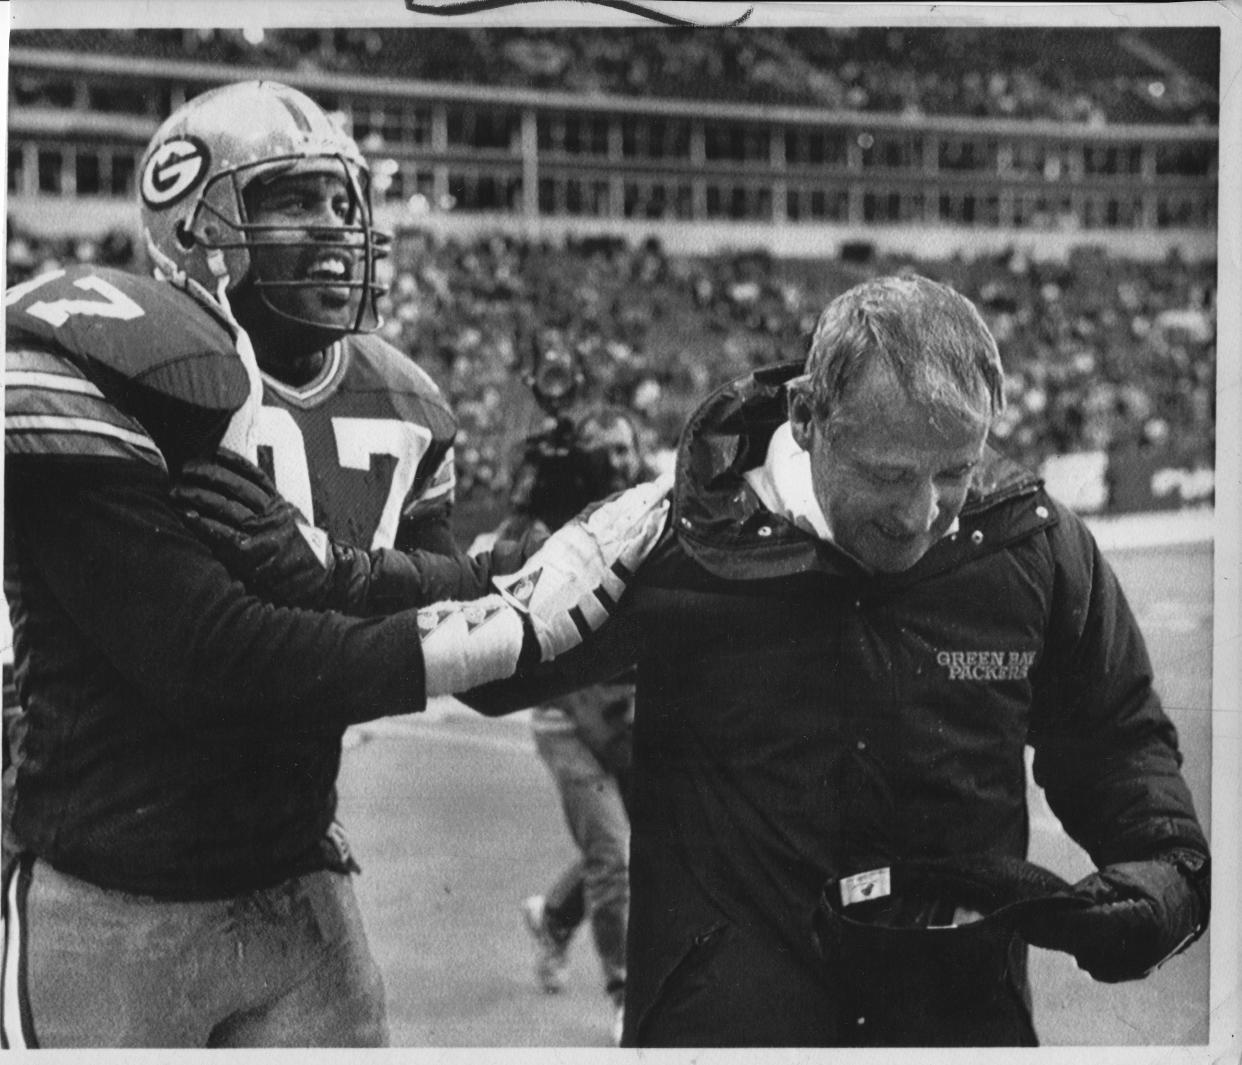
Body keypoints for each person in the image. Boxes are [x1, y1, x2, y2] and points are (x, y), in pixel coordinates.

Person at [0, 79, 668, 1049]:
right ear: (193, 223)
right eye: (290, 199)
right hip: (106, 901)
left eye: (343, 200)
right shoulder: (95, 356)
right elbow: (209, 662)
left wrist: (637, 587)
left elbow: (462, 641)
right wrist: (513, 593)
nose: (333, 227)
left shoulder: (401, 400)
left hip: (299, 887)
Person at [460, 274, 1211, 1047]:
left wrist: (1167, 870)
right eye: (888, 474)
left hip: (955, 1024)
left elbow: (1115, 739)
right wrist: (526, 546)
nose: (922, 512)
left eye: (955, 470)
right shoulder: (677, 543)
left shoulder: (1031, 547)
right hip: (728, 1032)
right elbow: (494, 668)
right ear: (807, 417)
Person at [500, 408, 650, 1039]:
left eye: (625, 449)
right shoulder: (557, 524)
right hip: (568, 712)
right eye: (604, 451)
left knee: (625, 850)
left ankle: (557, 916)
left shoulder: (655, 510)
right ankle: (625, 995)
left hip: (625, 708)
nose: (617, 461)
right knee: (614, 854)